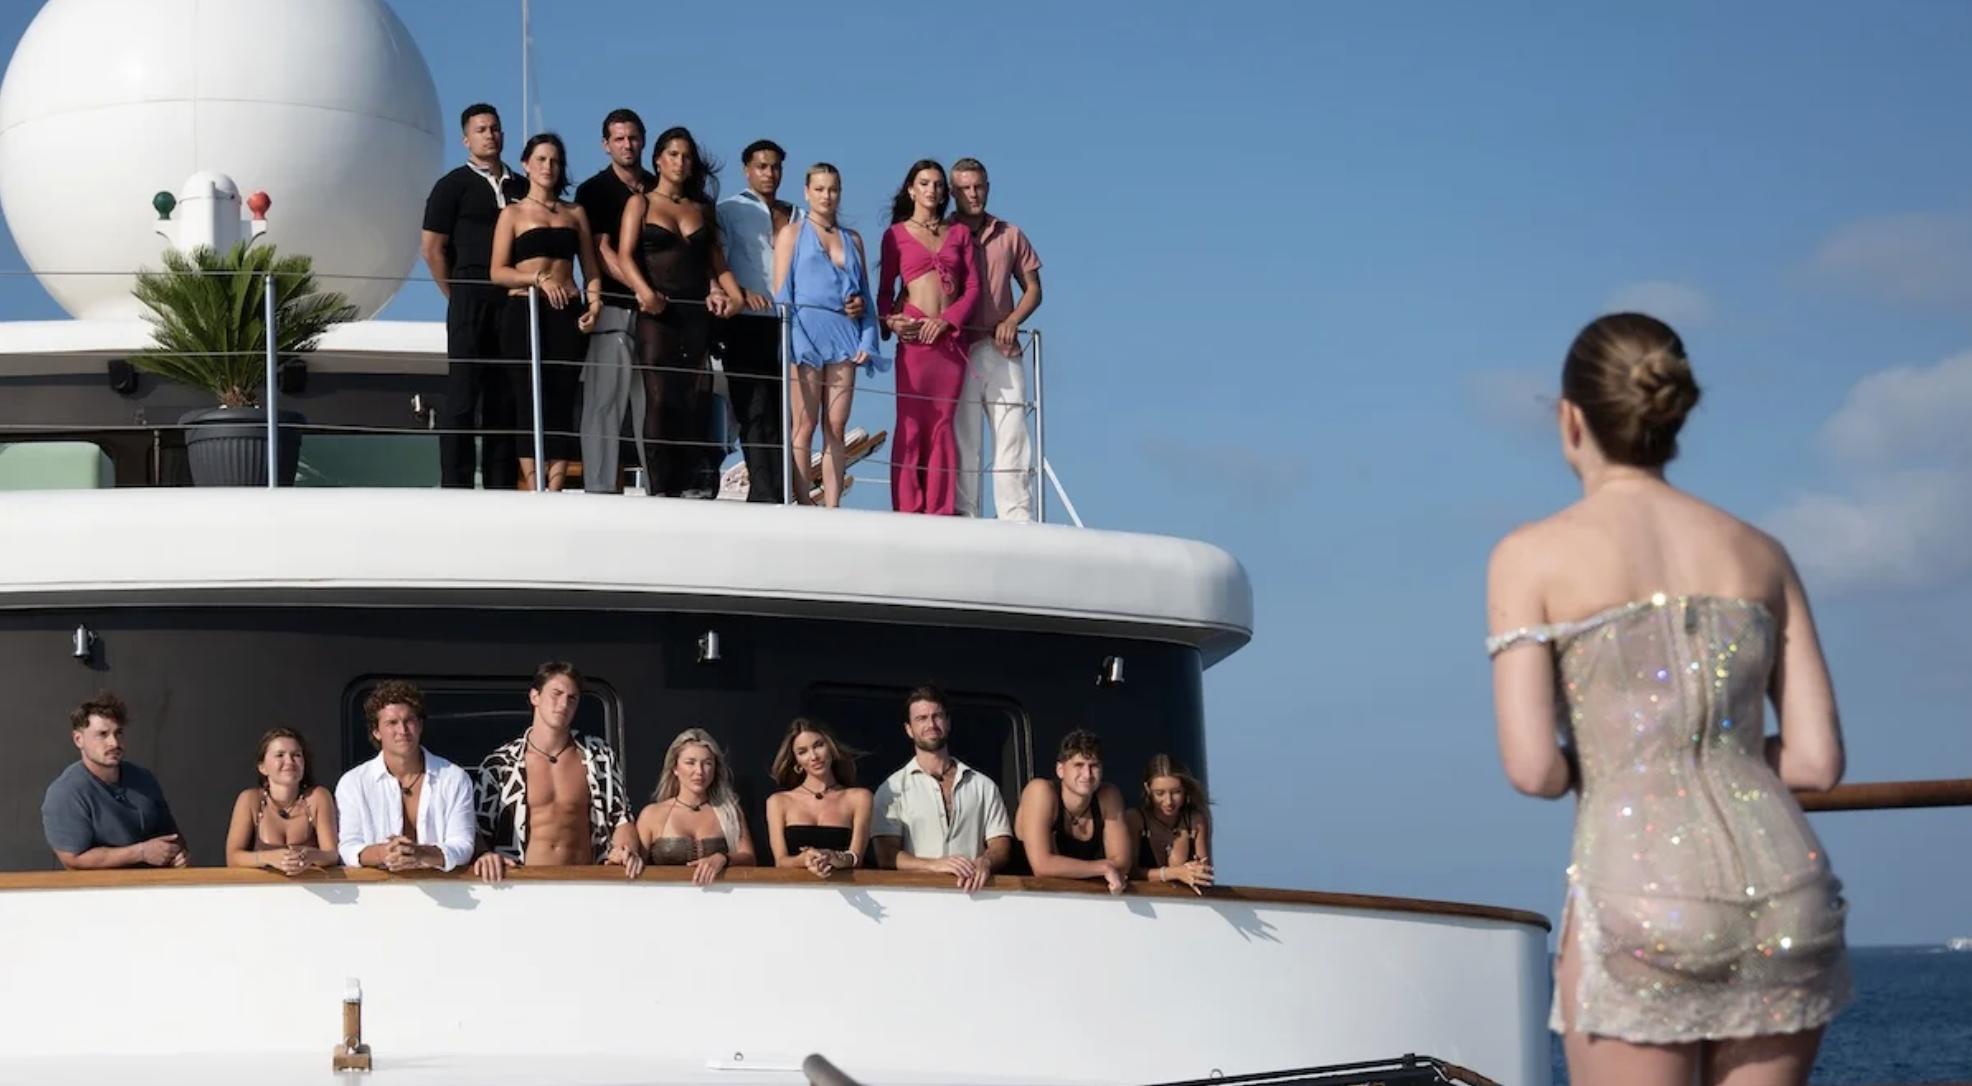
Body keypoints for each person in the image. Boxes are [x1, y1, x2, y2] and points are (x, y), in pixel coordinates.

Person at [1485, 312, 1852, 1086]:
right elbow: (1816, 762)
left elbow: (1534, 770)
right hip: (1788, 892)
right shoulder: (1759, 551)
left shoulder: (1532, 555)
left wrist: (1624, 752)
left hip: (1638, 891)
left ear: (1570, 418)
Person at [616, 127, 748, 498]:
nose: (680, 162)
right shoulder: (639, 203)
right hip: (657, 312)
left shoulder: (701, 208)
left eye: (686, 156)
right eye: (673, 154)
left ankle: (693, 482)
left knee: (694, 396)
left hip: (695, 314)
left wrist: (732, 297)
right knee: (660, 397)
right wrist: (644, 292)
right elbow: (625, 255)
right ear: (657, 159)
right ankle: (661, 486)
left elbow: (716, 262)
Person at [489, 132, 604, 491]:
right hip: (524, 310)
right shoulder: (513, 213)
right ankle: (534, 480)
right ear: (526, 164)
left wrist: (595, 305)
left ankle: (555, 486)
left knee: (562, 395)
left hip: (567, 311)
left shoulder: (575, 213)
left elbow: (591, 269)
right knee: (528, 396)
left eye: (554, 161)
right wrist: (537, 278)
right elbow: (497, 271)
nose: (548, 167)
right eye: (541, 159)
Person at [421, 103, 527, 490]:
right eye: (482, 129)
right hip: (469, 292)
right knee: (464, 393)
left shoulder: (522, 186)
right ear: (467, 138)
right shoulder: (452, 185)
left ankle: (501, 483)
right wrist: (456, 294)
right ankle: (457, 484)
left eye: (495, 128)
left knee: (505, 394)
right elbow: (432, 248)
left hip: (513, 297)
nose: (490, 135)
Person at [773, 163, 885, 507]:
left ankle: (834, 504)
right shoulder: (791, 233)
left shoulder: (853, 239)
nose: (827, 196)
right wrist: (796, 341)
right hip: (803, 335)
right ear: (807, 192)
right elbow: (782, 294)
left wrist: (868, 339)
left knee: (836, 426)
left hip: (844, 337)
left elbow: (866, 297)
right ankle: (803, 500)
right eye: (819, 189)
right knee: (804, 424)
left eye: (833, 189)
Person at [471, 662, 642, 881]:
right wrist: (484, 855)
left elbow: (621, 819)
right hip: (521, 886)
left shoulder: (599, 757)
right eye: (556, 693)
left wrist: (625, 851)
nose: (564, 704)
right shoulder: (500, 764)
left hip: (586, 884)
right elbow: (475, 829)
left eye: (572, 698)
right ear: (535, 697)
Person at [876, 161, 979, 515]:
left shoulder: (959, 233)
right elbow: (885, 292)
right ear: (911, 189)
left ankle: (940, 507)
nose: (932, 190)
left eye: (938, 184)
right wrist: (890, 321)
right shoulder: (895, 235)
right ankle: (908, 506)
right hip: (915, 337)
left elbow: (973, 288)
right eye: (924, 183)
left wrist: (949, 321)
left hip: (949, 343)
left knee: (942, 422)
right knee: (911, 420)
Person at [947, 158, 1041, 521]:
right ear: (954, 193)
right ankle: (964, 513)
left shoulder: (1010, 233)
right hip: (959, 347)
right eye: (965, 188)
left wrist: (1013, 319)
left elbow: (1033, 289)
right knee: (963, 435)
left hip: (1001, 347)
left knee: (1013, 432)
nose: (973, 194)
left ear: (988, 186)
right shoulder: (944, 232)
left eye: (979, 186)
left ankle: (1017, 514)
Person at [714, 138, 801, 504]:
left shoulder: (798, 215)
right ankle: (764, 493)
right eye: (762, 166)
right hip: (747, 320)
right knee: (754, 409)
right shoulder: (729, 210)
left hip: (791, 325)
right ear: (747, 170)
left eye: (776, 166)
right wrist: (741, 292)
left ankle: (785, 491)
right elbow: (718, 261)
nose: (770, 173)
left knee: (788, 413)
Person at [574, 109, 655, 494]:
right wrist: (641, 289)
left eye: (633, 137)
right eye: (619, 139)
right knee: (604, 405)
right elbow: (601, 249)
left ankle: (659, 486)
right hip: (614, 308)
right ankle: (600, 488)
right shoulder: (593, 191)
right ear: (606, 144)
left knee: (653, 407)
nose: (627, 145)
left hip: (659, 314)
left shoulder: (659, 188)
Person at [870, 684, 1012, 892]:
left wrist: (986, 862)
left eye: (937, 716)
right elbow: (886, 856)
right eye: (921, 718)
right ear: (909, 729)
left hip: (974, 898)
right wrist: (934, 865)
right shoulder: (892, 789)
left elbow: (1001, 845)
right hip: (918, 901)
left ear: (948, 722)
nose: (931, 724)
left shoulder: (983, 785)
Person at [334, 681, 476, 873]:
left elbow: (463, 845)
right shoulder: (353, 783)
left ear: (420, 725)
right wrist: (383, 853)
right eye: (392, 723)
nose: (402, 730)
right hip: (378, 895)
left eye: (409, 720)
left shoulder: (454, 778)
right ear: (376, 731)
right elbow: (348, 847)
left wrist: (421, 854)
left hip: (445, 894)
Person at [42, 692, 187, 869]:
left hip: (153, 889)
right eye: (102, 734)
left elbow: (171, 835)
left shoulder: (143, 779)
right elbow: (73, 859)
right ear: (78, 739)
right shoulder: (66, 792)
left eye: (118, 733)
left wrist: (177, 854)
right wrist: (140, 852)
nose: (114, 743)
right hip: (99, 893)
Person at [1012, 729, 1132, 894]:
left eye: (1094, 766)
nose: (1087, 774)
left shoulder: (1109, 796)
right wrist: (1103, 868)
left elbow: (1122, 862)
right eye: (1079, 765)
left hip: (1080, 899)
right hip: (1023, 898)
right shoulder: (1040, 791)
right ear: (1060, 770)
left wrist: (1103, 868)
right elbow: (1042, 866)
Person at [635, 728, 757, 885]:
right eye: (690, 763)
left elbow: (749, 858)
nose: (699, 771)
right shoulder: (652, 814)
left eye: (707, 763)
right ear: (675, 768)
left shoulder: (729, 812)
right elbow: (635, 863)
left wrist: (723, 858)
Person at [764, 717, 872, 878]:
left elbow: (856, 857)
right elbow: (780, 861)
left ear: (831, 747)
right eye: (803, 752)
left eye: (819, 745)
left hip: (846, 892)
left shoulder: (859, 798)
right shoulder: (778, 802)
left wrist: (835, 857)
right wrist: (803, 860)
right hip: (796, 893)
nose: (814, 756)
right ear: (797, 762)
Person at [224, 728, 340, 873]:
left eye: (296, 755)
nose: (289, 762)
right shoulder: (250, 800)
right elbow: (233, 858)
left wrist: (310, 856)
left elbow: (332, 854)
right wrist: (269, 858)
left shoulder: (318, 797)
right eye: (279, 755)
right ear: (263, 767)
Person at [1123, 754, 1214, 893]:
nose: (1169, 801)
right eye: (1159, 793)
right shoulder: (1135, 819)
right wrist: (1175, 873)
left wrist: (1199, 870)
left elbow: (1205, 874)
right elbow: (1129, 872)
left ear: (1185, 790)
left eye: (1176, 792)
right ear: (1148, 790)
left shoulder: (1196, 821)